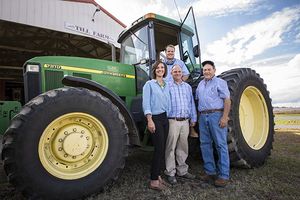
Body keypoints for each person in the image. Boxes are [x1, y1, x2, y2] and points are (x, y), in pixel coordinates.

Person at [195, 60, 231, 187]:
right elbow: (198, 100)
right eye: (205, 70)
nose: (207, 71)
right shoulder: (200, 84)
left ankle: (224, 175)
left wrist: (224, 117)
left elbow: (227, 100)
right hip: (203, 116)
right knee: (205, 144)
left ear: (214, 70)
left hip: (216, 115)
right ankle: (210, 171)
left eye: (209, 69)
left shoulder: (220, 82)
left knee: (220, 145)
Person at [164, 64, 197, 184]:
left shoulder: (187, 87)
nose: (177, 73)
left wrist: (193, 118)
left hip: (185, 121)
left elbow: (191, 103)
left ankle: (182, 170)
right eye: (175, 72)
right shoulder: (167, 86)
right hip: (172, 120)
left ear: (182, 73)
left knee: (183, 147)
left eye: (179, 71)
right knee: (170, 147)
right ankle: (170, 172)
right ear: (171, 74)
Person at [142, 60, 171, 190]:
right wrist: (149, 120)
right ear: (154, 70)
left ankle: (158, 176)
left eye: (162, 67)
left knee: (163, 148)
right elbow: (146, 103)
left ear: (165, 70)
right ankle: (153, 180)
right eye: (158, 68)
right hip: (155, 118)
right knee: (158, 149)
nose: (160, 69)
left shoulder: (166, 84)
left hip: (165, 118)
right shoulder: (149, 84)